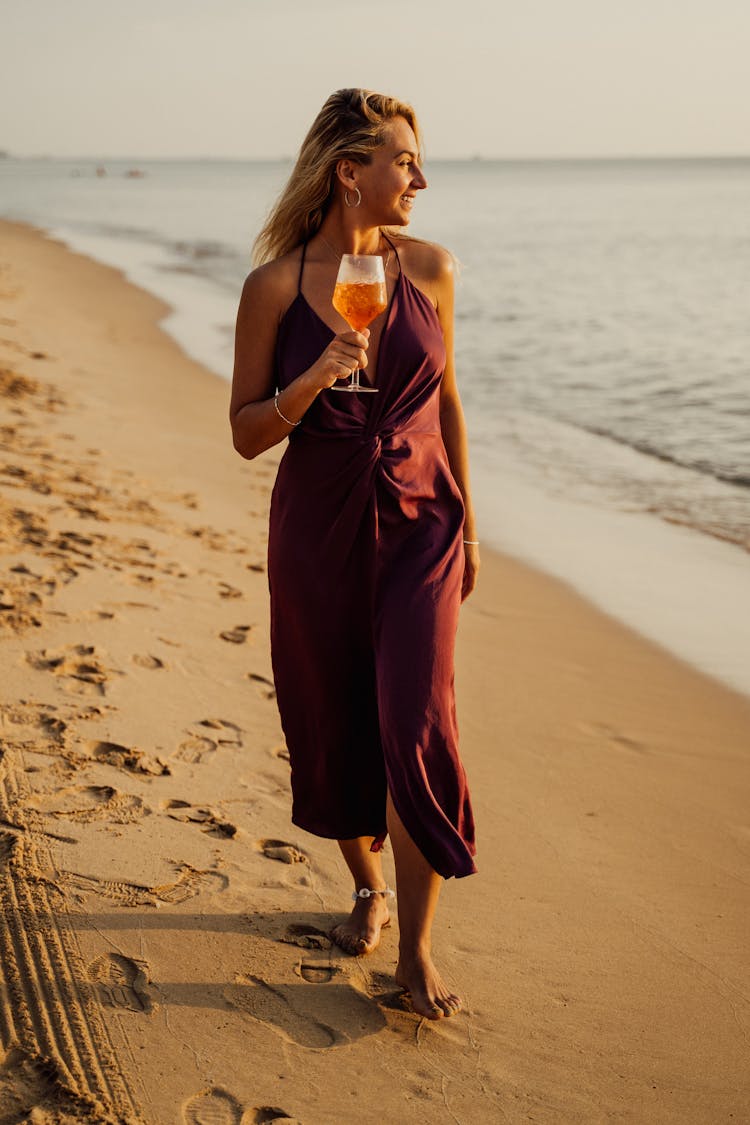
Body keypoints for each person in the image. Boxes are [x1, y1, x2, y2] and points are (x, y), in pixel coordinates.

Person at [230, 89, 479, 1020]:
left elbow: (448, 400)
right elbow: (248, 433)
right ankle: (368, 883)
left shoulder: (433, 268)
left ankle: (415, 953)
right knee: (333, 715)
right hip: (319, 523)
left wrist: (470, 521)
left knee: (418, 721)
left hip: (422, 522)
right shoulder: (273, 286)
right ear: (350, 172)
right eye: (404, 161)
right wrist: (312, 379)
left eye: (417, 163)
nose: (420, 178)